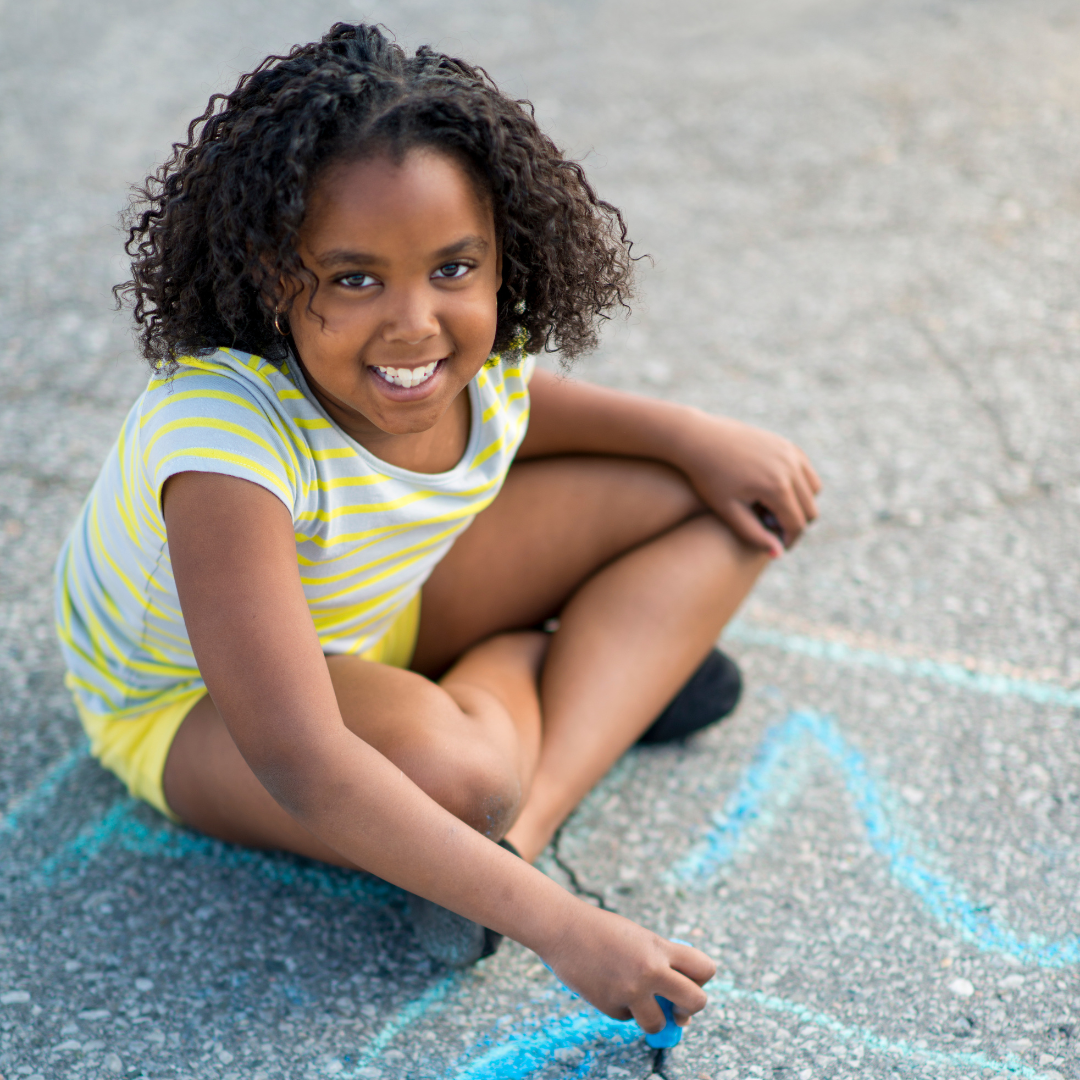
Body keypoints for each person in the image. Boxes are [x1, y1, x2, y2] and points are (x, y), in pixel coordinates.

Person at [54, 23, 820, 1037]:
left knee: (724, 508)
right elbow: (299, 755)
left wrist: (693, 436)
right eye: (355, 278)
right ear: (270, 273)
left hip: (382, 611)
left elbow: (525, 406)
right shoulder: (219, 442)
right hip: (192, 704)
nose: (415, 323)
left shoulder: (475, 356)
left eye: (454, 268)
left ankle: (520, 821)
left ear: (505, 256)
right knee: (460, 779)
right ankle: (544, 682)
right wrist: (566, 928)